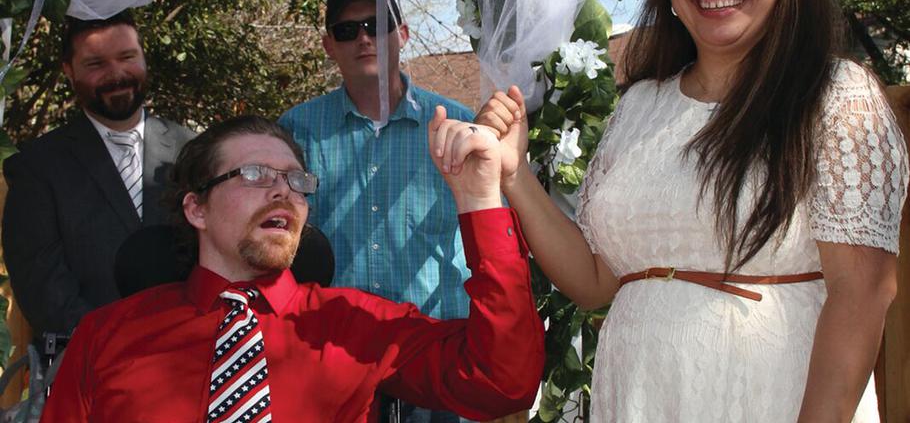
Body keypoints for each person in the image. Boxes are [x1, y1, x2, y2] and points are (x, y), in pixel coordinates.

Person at [475, 0, 907, 422]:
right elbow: (594, 282)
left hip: (772, 397)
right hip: (639, 395)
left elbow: (863, 291)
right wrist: (515, 173)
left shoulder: (834, 95)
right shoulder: (638, 106)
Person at [41, 114, 544, 422]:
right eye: (255, 174)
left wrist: (479, 199)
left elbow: (502, 382)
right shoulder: (105, 337)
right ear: (196, 209)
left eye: (296, 180)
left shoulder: (357, 326)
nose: (283, 189)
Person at [278, 0, 474, 319]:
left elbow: (490, 230)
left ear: (403, 34)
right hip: (334, 336)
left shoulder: (457, 124)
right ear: (329, 46)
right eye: (347, 30)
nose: (363, 39)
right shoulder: (296, 130)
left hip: (438, 335)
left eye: (376, 26)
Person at [2, 12, 195, 339]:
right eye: (96, 64)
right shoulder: (36, 165)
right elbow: (41, 283)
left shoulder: (194, 150)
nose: (116, 74)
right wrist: (112, 345)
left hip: (191, 354)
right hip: (89, 362)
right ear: (68, 69)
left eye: (127, 57)